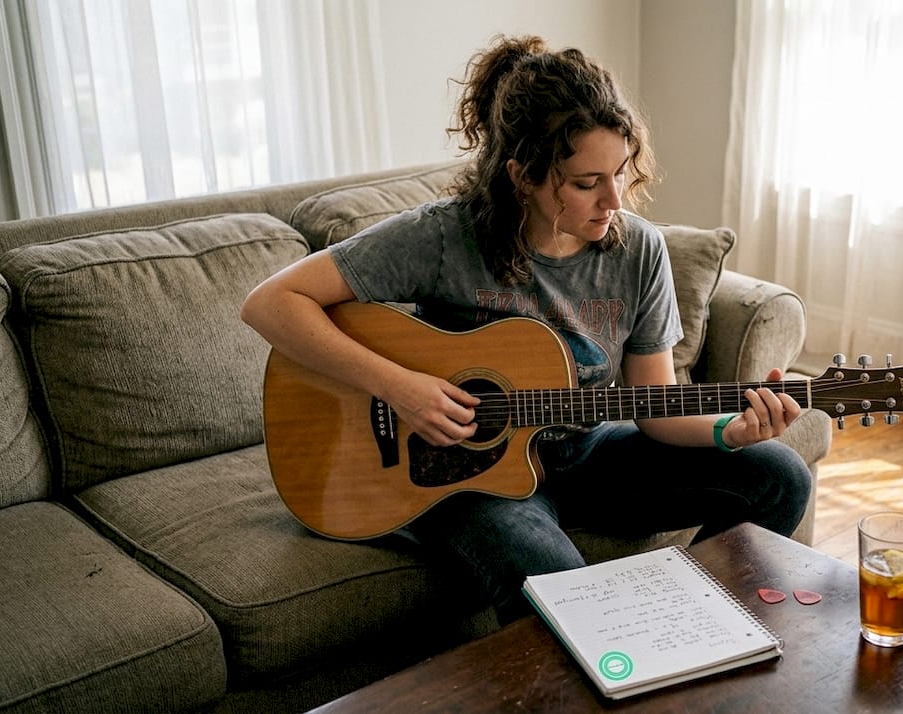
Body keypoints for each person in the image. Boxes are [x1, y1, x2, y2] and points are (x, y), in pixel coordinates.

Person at [241, 35, 814, 623]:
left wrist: (732, 432)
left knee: (780, 477)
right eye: (587, 182)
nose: (614, 198)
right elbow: (271, 302)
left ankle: (684, 626)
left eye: (619, 172)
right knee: (562, 591)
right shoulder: (444, 238)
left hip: (585, 453)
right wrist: (399, 387)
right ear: (523, 176)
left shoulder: (638, 250)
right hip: (466, 472)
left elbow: (658, 406)